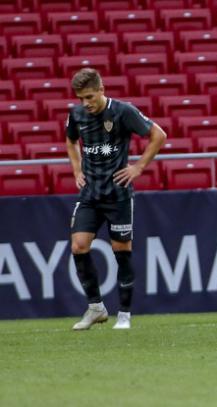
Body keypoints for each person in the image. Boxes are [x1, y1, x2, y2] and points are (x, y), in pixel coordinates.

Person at [66, 68, 167, 330]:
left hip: (118, 194)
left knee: (121, 252)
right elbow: (70, 140)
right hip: (90, 193)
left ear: (102, 90)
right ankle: (96, 308)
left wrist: (138, 167)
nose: (85, 103)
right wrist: (77, 170)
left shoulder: (123, 111)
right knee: (78, 246)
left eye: (89, 96)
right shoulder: (76, 114)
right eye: (80, 98)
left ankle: (124, 315)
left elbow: (159, 135)